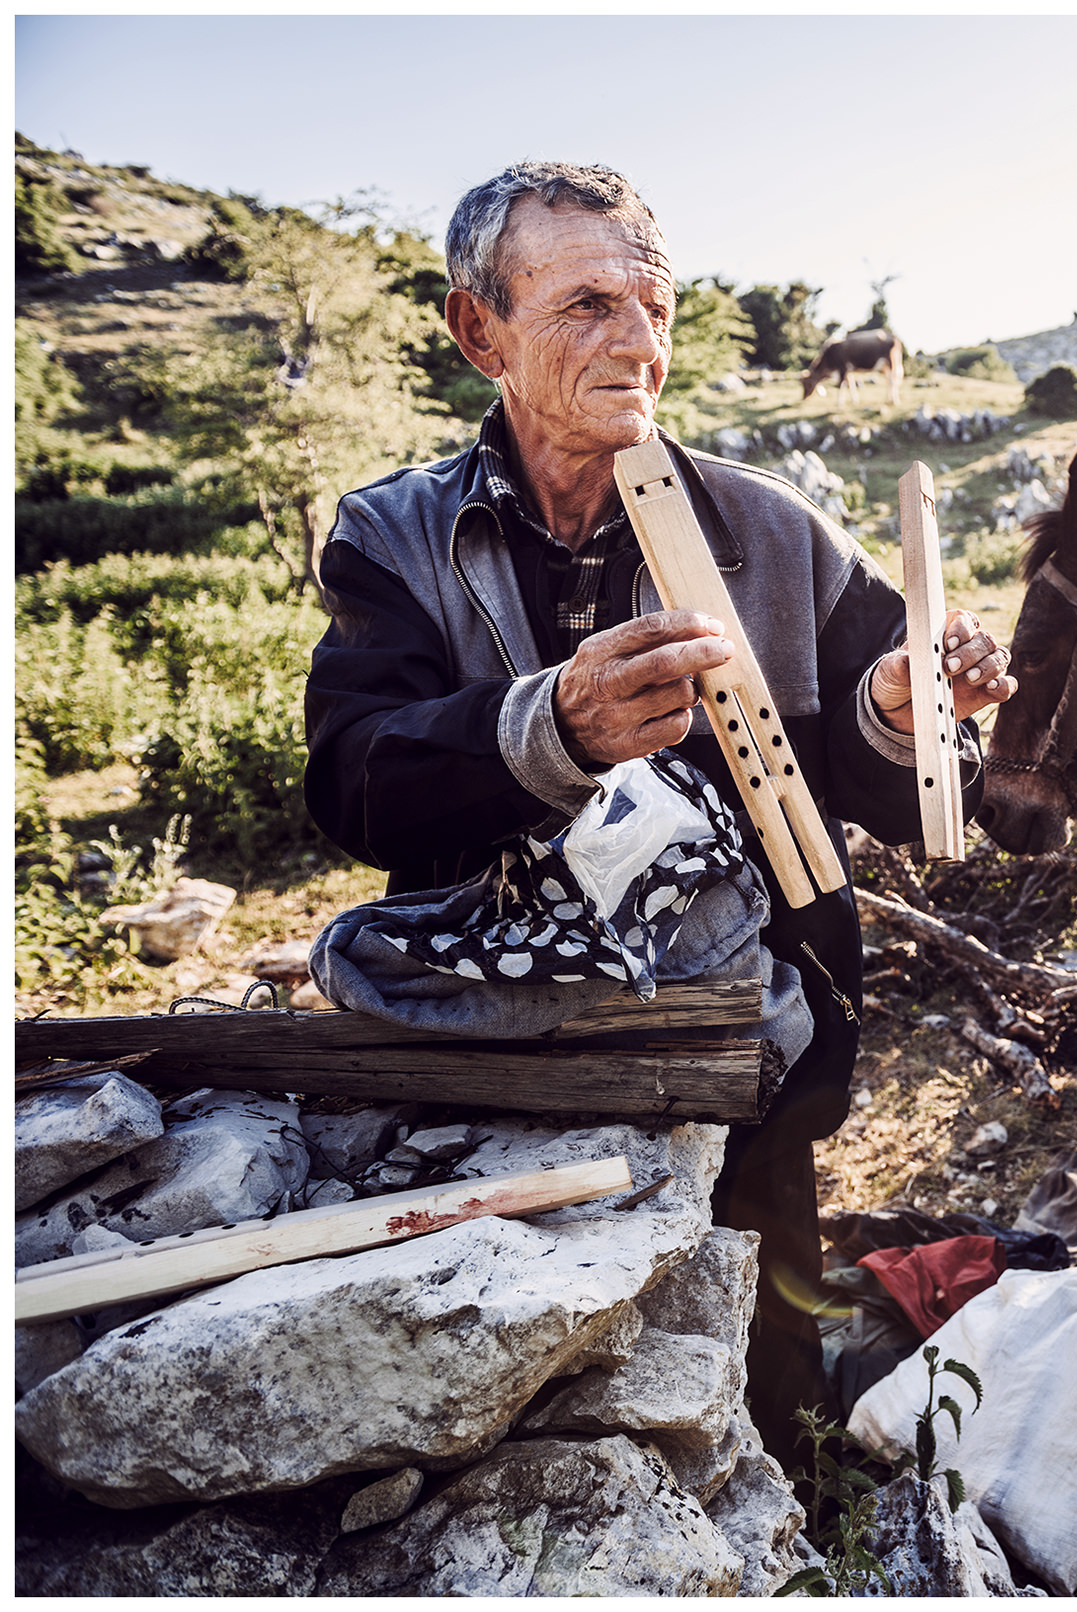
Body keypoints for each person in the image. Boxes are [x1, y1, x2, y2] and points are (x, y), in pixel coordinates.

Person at [301, 162, 1015, 1466]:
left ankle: (796, 1502)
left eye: (653, 302)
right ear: (481, 333)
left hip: (744, 1030)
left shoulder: (775, 531)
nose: (634, 339)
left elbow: (896, 793)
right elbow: (351, 777)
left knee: (766, 1341)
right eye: (583, 304)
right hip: (504, 1036)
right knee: (524, 1373)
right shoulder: (395, 536)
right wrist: (546, 728)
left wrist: (906, 714)